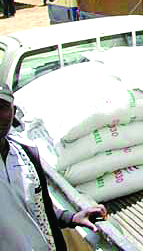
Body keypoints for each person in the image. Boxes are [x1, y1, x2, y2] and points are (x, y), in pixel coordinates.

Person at [0, 84, 108, 250]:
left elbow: (37, 208)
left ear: (13, 111)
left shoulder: (25, 154)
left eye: (1, 107)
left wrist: (70, 218)